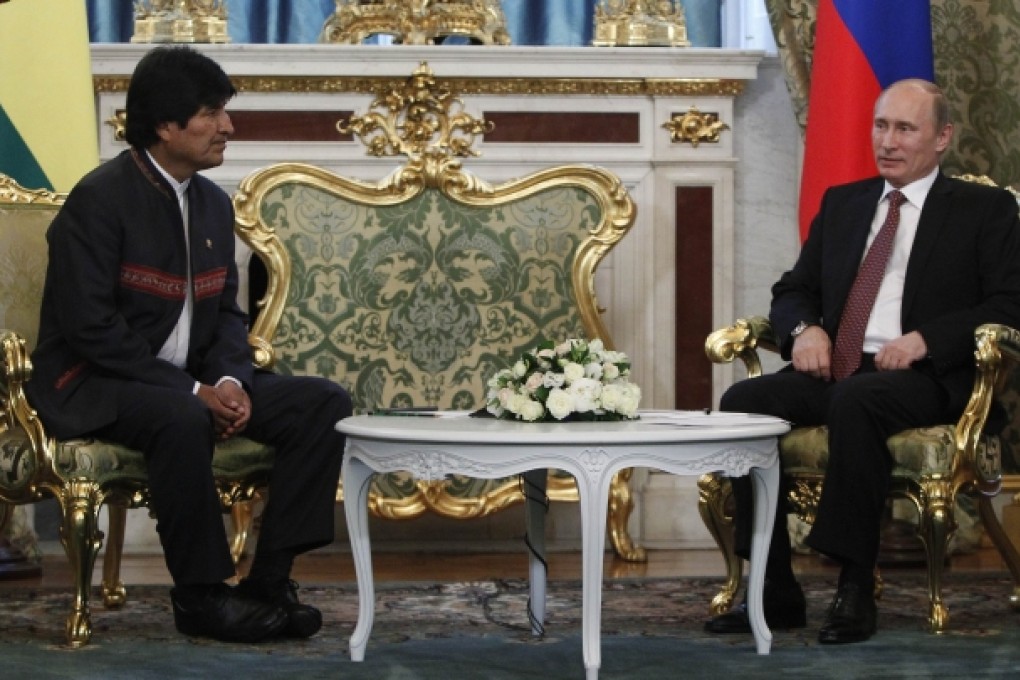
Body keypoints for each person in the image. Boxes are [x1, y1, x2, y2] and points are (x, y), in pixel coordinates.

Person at [27, 46, 353, 643]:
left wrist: (230, 381)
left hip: (193, 383)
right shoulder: (98, 200)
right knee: (180, 414)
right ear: (165, 125)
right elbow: (90, 329)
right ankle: (202, 598)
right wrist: (195, 390)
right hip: (94, 383)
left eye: (224, 111)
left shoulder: (212, 202)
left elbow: (228, 316)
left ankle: (268, 585)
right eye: (211, 112)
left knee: (322, 403)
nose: (228, 126)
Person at [704, 78, 1020, 644]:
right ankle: (775, 587)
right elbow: (793, 288)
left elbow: (1009, 303)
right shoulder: (844, 202)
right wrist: (804, 331)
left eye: (905, 128)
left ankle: (854, 587)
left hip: (925, 377)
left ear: (942, 136)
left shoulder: (983, 210)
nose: (888, 142)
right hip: (838, 365)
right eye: (881, 126)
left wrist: (926, 338)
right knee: (743, 402)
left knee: (858, 400)